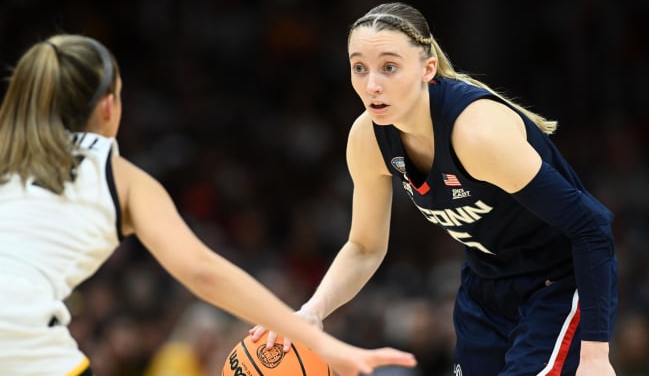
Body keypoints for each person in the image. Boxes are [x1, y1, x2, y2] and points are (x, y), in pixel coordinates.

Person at [0, 34, 417, 376]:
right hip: (18, 336)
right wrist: (316, 339)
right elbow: (202, 272)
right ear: (109, 107)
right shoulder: (119, 176)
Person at [251, 2, 619, 375]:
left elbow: (592, 226)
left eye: (389, 67)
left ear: (428, 69)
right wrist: (311, 312)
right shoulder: (367, 139)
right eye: (359, 67)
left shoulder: (476, 135)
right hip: (485, 285)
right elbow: (364, 247)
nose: (371, 84)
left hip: (556, 282)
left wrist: (595, 358)